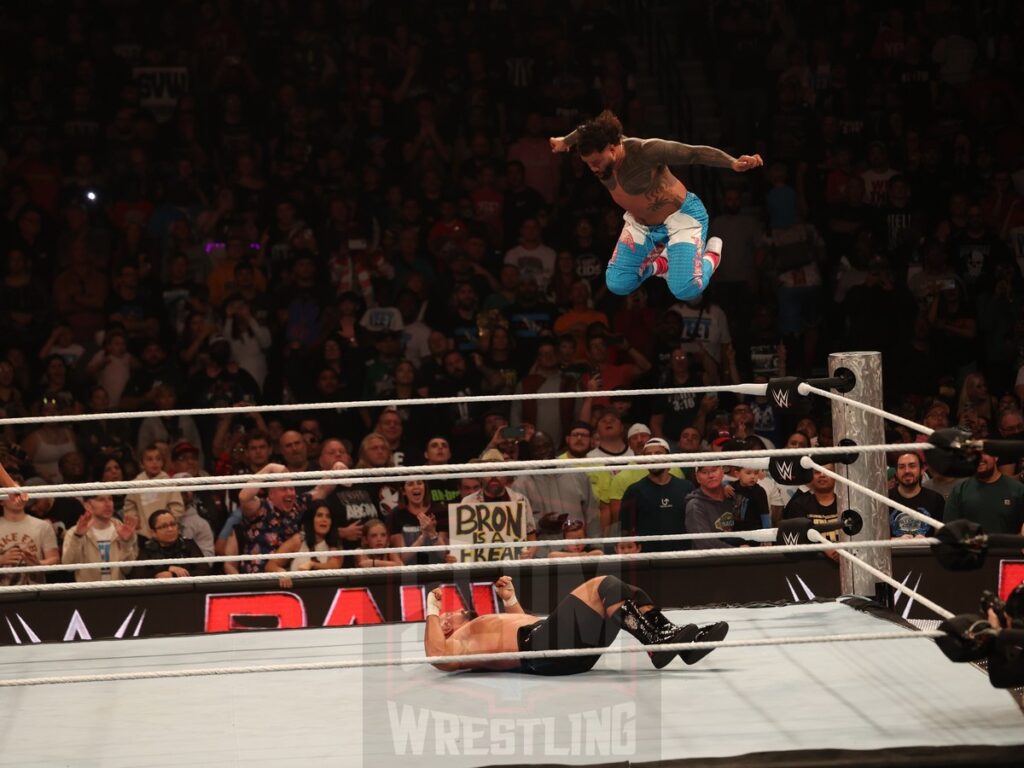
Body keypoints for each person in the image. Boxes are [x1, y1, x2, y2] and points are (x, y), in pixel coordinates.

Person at [550, 110, 762, 301]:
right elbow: (586, 129)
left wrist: (732, 162)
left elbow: (693, 153)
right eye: (588, 163)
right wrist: (565, 141)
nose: (593, 168)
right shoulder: (598, 145)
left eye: (596, 161)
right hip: (642, 225)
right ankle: (662, 263)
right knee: (618, 284)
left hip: (681, 217)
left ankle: (711, 256)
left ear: (613, 148)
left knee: (685, 290)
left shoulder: (645, 151)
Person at [425, 575, 728, 674]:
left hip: (555, 646)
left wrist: (509, 600)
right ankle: (656, 642)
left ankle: (675, 640)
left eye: (452, 612)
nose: (449, 615)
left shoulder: (482, 626)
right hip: (542, 652)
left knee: (627, 592)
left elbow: (525, 623)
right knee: (603, 585)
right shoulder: (461, 640)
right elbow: (438, 656)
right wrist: (432, 610)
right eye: (446, 617)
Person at [618, 438, 695, 548]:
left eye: (658, 453)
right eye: (649, 454)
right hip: (647, 558)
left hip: (682, 556)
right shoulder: (634, 491)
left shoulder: (686, 487)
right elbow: (625, 528)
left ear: (668, 458)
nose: (653, 457)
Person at [0, 471, 60, 586]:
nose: (18, 497)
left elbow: (55, 560)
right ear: (1, 500)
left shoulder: (42, 526)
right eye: (13, 493)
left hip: (35, 593)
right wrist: (2, 560)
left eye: (19, 493)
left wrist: (39, 564)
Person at [62, 494, 138, 582]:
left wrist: (126, 543)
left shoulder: (124, 529)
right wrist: (77, 537)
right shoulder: (74, 532)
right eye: (101, 500)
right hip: (88, 592)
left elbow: (127, 570)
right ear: (87, 505)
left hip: (117, 591)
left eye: (110, 499)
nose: (108, 504)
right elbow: (69, 566)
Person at [944, 451, 1024, 534]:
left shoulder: (1018, 490)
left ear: (996, 457)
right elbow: (950, 530)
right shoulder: (959, 490)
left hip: (1007, 546)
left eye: (984, 453)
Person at [266, 502, 343, 578]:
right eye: (319, 515)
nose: (324, 520)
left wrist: (312, 564)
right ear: (311, 520)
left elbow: (334, 565)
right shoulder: (299, 540)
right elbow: (271, 565)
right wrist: (281, 572)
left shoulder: (335, 543)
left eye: (328, 516)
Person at [132, 509, 211, 579]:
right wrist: (166, 568)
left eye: (173, 524)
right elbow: (138, 576)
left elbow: (204, 572)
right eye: (164, 526)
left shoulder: (188, 544)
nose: (170, 529)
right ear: (153, 532)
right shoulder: (148, 549)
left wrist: (173, 575)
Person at [888, 452, 945, 537]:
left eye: (912, 466)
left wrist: (927, 542)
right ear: (896, 472)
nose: (907, 471)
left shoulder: (936, 499)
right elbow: (876, 537)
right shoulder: (885, 499)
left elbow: (943, 537)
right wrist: (895, 541)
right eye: (901, 467)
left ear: (922, 470)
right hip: (892, 549)